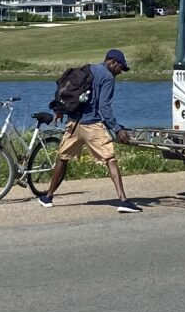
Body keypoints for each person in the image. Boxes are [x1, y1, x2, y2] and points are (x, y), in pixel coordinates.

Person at [36, 49, 139, 214]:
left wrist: (62, 110)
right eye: (120, 67)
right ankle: (123, 201)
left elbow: (71, 92)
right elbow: (104, 107)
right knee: (110, 159)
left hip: (74, 124)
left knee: (63, 158)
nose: (121, 72)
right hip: (92, 126)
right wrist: (117, 128)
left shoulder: (88, 69)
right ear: (112, 62)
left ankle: (48, 197)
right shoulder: (107, 77)